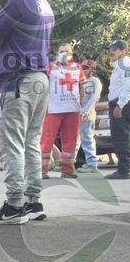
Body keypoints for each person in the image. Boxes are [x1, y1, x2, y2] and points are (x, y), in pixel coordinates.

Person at [0, 0, 55, 225]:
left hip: (18, 80)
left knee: (11, 142)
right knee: (31, 141)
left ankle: (13, 206)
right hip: (40, 78)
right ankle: (34, 201)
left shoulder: (19, 1)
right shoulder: (44, 2)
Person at [40, 43, 85, 179]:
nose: (64, 54)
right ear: (57, 53)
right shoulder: (50, 66)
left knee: (71, 139)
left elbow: (82, 87)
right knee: (47, 139)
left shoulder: (77, 68)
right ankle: (42, 169)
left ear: (72, 53)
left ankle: (68, 170)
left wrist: (80, 104)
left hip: (72, 109)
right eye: (61, 51)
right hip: (53, 108)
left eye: (67, 51)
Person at [106, 40, 130, 180]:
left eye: (115, 49)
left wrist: (119, 105)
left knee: (121, 136)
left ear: (123, 51)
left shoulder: (125, 63)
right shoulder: (119, 65)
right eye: (111, 49)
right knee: (122, 135)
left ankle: (124, 170)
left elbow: (128, 85)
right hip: (120, 102)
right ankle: (124, 168)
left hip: (122, 104)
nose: (111, 52)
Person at [76, 59, 103, 173]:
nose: (83, 69)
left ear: (92, 70)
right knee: (75, 140)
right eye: (82, 67)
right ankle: (70, 163)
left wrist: (84, 112)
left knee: (87, 138)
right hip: (77, 115)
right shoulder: (81, 81)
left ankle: (92, 164)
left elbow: (93, 99)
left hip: (87, 115)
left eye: (86, 68)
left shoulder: (94, 81)